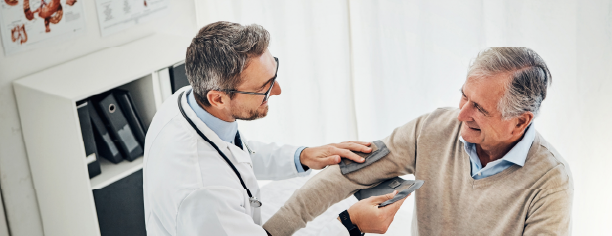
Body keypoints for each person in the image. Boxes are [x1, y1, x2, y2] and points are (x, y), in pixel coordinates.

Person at [263, 47, 574, 236]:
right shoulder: (432, 129)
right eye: (463, 96)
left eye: (479, 108)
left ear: (520, 121)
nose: (460, 114)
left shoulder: (550, 180)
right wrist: (270, 234)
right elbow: (345, 174)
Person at [143, 21, 408, 236]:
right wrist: (351, 225)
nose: (278, 91)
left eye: (274, 74)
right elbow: (216, 171)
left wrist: (302, 156)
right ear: (218, 98)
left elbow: (235, 153)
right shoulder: (204, 194)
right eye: (264, 88)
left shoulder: (188, 101)